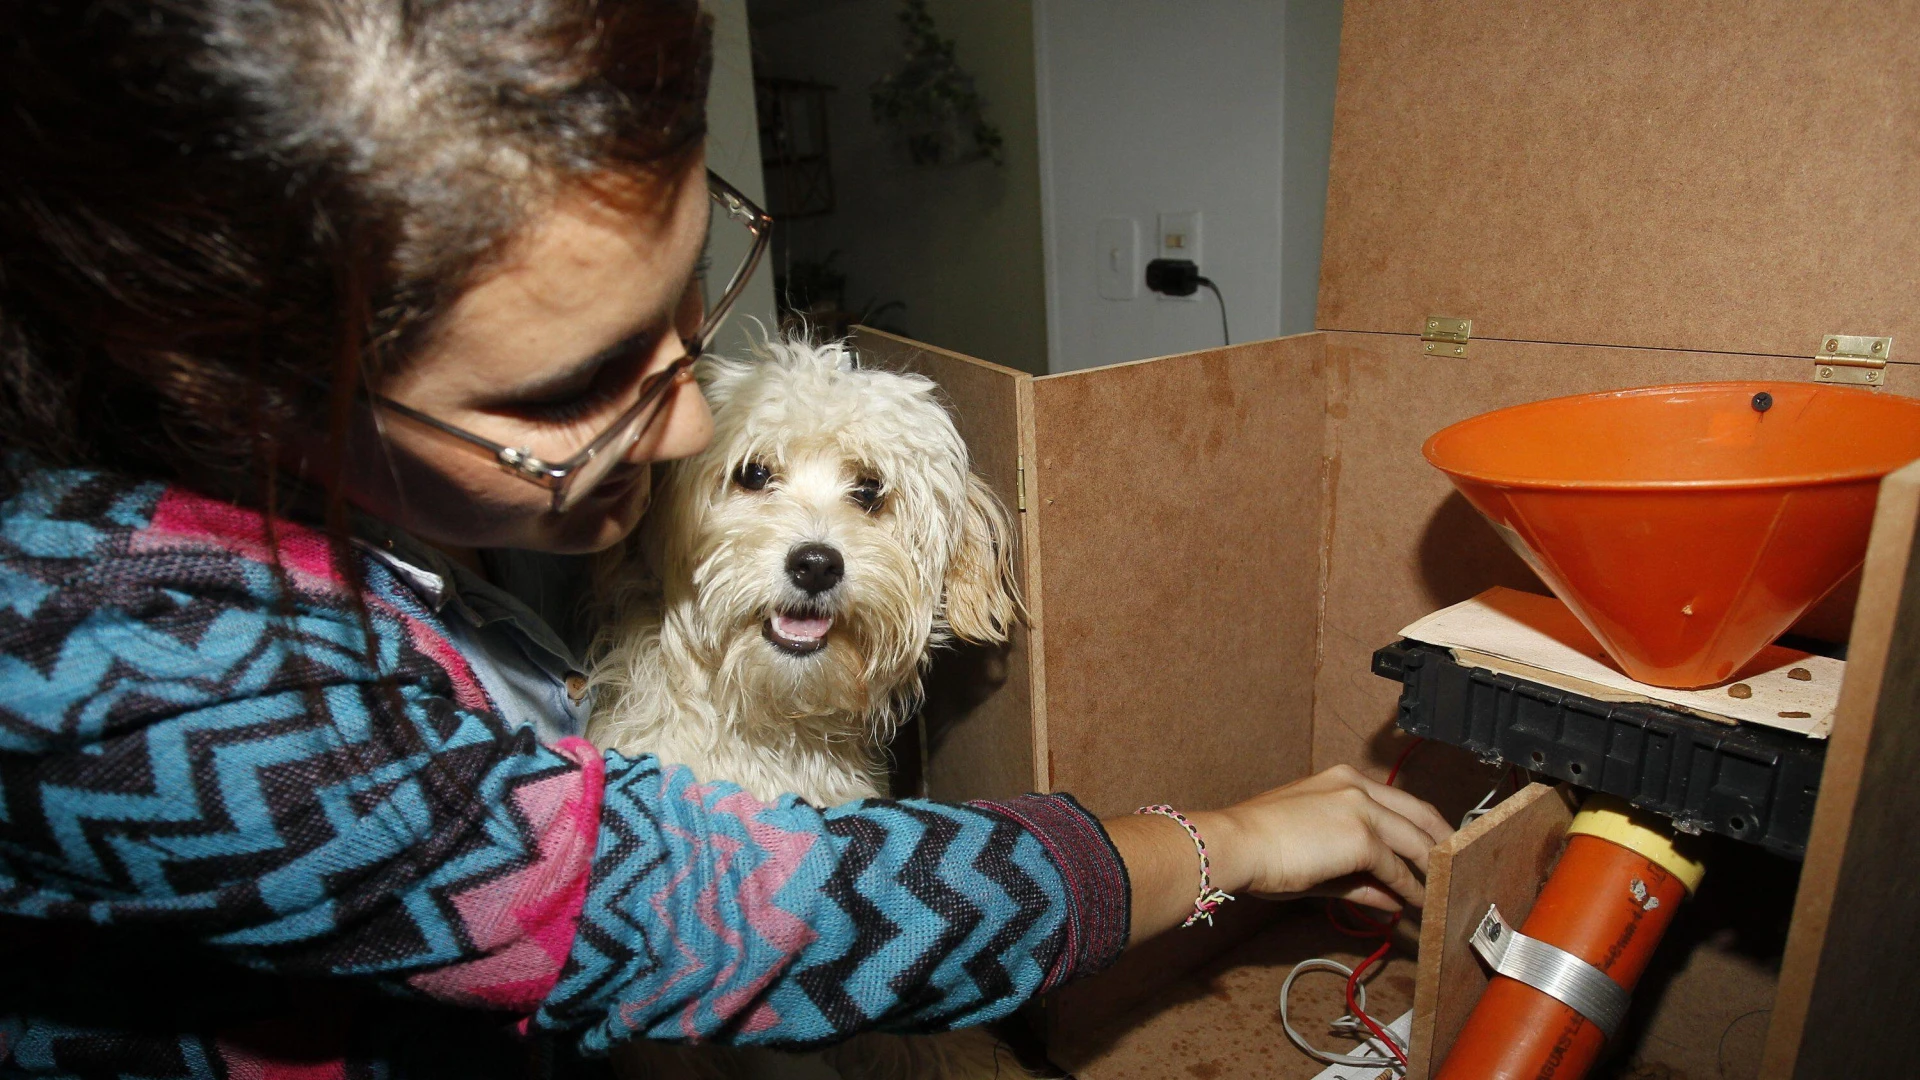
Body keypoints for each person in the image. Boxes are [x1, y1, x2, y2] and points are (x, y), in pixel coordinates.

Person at [0, 1, 1453, 1077]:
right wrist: (1231, 841)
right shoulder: (131, 675)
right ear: (244, 385)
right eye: (575, 383)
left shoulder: (365, 496)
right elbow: (713, 914)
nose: (688, 428)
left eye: (687, 300)